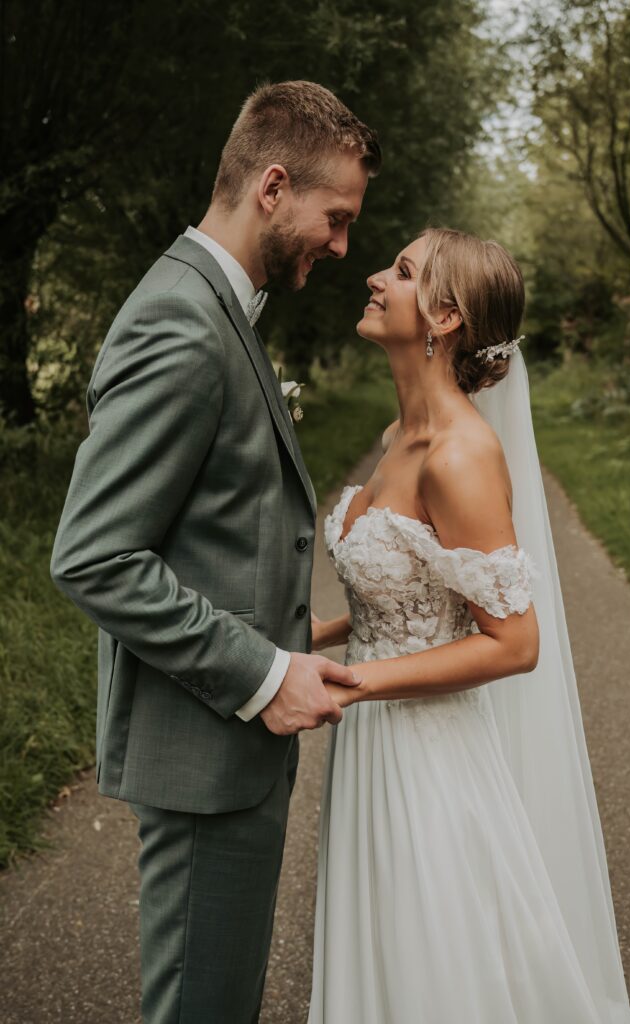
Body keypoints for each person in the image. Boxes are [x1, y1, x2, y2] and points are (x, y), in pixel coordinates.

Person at [50, 80, 380, 1024]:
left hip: (223, 750)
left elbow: (208, 530)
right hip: (208, 746)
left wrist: (292, 634)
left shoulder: (216, 307)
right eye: (338, 217)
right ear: (273, 186)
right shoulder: (182, 321)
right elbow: (95, 554)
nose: (344, 246)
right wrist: (266, 672)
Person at [308, 228, 630, 1023]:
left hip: (428, 754)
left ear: (444, 317)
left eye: (400, 272)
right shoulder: (393, 438)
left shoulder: (461, 455)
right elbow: (413, 597)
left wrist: (357, 680)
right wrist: (322, 636)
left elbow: (515, 643)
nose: (375, 277)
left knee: (437, 956)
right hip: (372, 741)